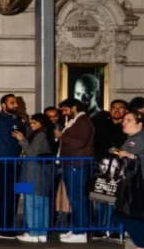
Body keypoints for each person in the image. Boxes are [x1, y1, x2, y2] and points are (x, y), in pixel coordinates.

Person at [56, 98, 95, 244]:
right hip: (72, 164)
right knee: (74, 198)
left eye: (66, 110)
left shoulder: (83, 121)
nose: (64, 113)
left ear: (74, 108)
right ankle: (76, 229)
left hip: (76, 164)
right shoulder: (78, 121)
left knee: (77, 198)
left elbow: (80, 142)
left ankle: (80, 232)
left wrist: (62, 136)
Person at [12, 113, 55, 243]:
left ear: (42, 123)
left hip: (33, 173)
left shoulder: (41, 135)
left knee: (32, 203)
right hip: (38, 173)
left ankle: (33, 233)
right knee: (42, 203)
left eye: (34, 123)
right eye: (31, 123)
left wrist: (22, 139)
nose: (31, 125)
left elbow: (32, 152)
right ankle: (41, 233)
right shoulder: (46, 133)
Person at [0, 94, 24, 239]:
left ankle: (8, 225)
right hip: (0, 163)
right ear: (3, 104)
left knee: (12, 195)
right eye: (12, 103)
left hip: (14, 163)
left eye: (16, 103)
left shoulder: (18, 120)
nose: (15, 105)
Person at [93, 99, 129, 236]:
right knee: (101, 198)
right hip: (102, 166)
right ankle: (100, 229)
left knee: (117, 201)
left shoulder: (127, 127)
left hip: (121, 168)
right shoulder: (102, 125)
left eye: (121, 108)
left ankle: (114, 229)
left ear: (126, 111)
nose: (117, 110)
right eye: (114, 107)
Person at [114, 112, 144, 249]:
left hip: (138, 183)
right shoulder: (130, 138)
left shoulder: (140, 138)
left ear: (140, 124)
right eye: (124, 120)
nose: (123, 122)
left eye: (129, 120)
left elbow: (136, 157)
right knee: (125, 214)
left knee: (130, 215)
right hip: (129, 183)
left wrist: (132, 156)